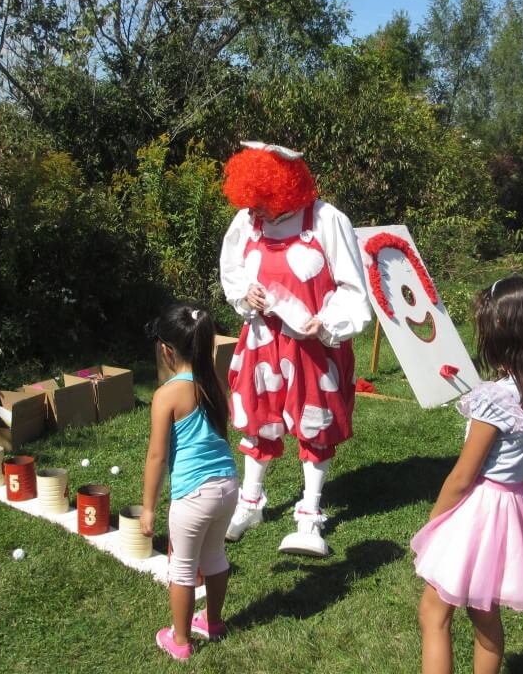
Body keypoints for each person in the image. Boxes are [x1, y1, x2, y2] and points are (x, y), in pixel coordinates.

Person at [219, 141, 371, 557]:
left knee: (315, 421)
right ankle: (251, 501)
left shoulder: (326, 220)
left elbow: (354, 288)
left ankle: (310, 511)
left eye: (263, 204)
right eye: (252, 204)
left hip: (312, 347)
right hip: (261, 340)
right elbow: (231, 269)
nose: (256, 214)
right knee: (257, 416)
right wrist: (242, 295)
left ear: (283, 192)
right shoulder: (247, 220)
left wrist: (327, 321)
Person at [412, 276, 523, 674]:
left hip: (477, 509)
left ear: (498, 338)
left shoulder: (495, 399)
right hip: (511, 505)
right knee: (485, 613)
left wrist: (434, 524)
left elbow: (463, 476)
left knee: (433, 612)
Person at [141, 304, 239, 661]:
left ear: (166, 350)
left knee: (182, 566)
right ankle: (212, 622)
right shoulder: (213, 383)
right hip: (228, 487)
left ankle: (180, 641)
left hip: (193, 495)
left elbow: (156, 456)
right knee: (214, 555)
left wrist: (149, 508)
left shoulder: (167, 395)